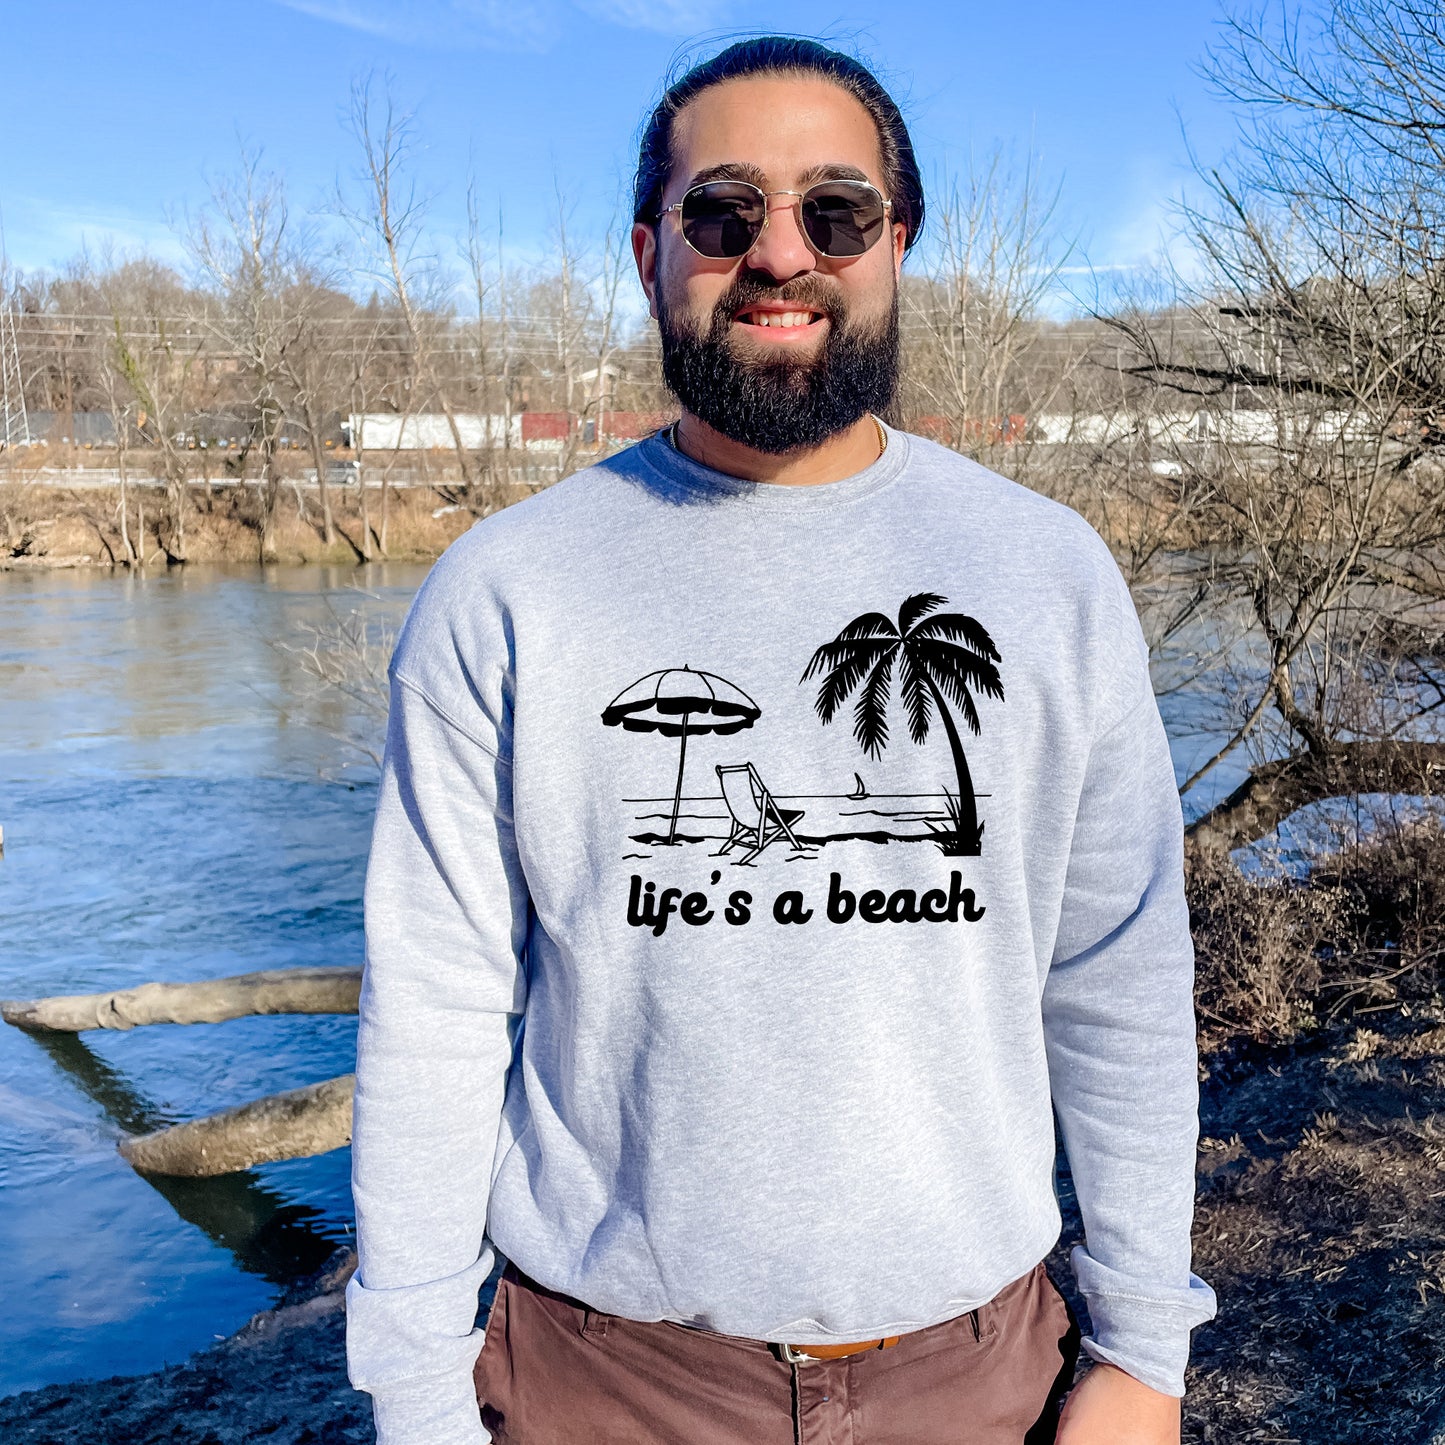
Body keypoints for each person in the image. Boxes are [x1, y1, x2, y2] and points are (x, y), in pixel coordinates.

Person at [345, 36, 1217, 1445]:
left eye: (835, 211)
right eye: (721, 210)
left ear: (895, 242)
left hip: (981, 1374)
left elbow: (1115, 979)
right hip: (600, 1383)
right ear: (649, 252)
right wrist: (415, 1390)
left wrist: (1142, 1350)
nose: (778, 252)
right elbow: (436, 1012)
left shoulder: (1045, 574)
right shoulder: (507, 588)